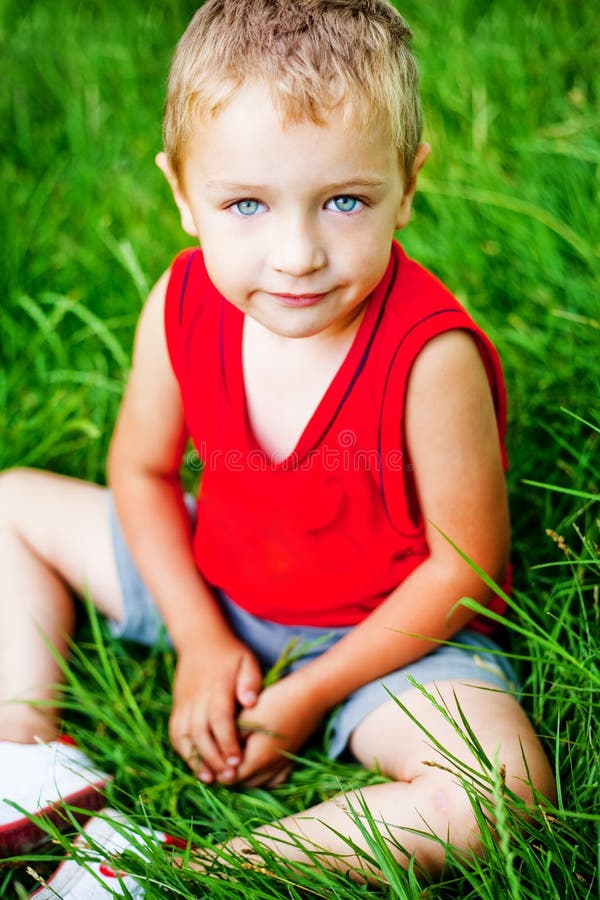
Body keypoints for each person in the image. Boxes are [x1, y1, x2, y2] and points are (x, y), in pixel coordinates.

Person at [0, 0, 555, 892]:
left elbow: (467, 566)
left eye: (344, 200)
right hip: (221, 578)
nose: (297, 254)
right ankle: (22, 758)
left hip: (390, 630)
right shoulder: (181, 304)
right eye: (247, 204)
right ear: (182, 193)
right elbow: (140, 473)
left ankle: (165, 874)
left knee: (501, 791)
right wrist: (199, 638)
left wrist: (309, 691)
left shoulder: (428, 356)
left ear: (408, 185)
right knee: (11, 503)